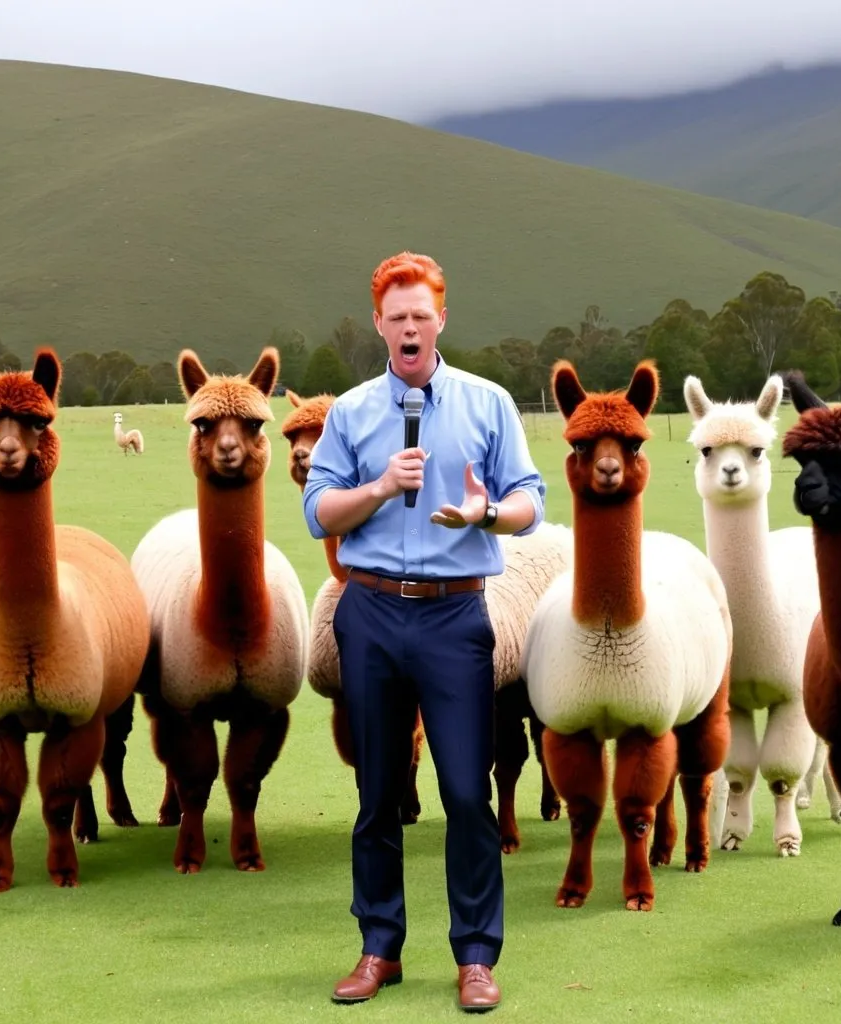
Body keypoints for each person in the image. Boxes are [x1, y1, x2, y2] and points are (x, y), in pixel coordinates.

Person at [302, 251, 546, 1013]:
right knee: (378, 795)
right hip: (369, 610)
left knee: (466, 794)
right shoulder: (351, 413)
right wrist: (377, 487)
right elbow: (318, 510)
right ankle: (379, 948)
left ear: (442, 318)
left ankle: (475, 956)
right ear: (378, 323)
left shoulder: (488, 403)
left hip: (453, 614)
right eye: (396, 317)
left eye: (421, 315)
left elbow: (529, 500)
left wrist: (486, 515)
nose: (409, 329)